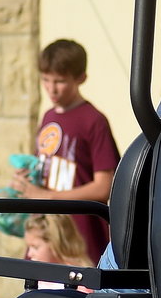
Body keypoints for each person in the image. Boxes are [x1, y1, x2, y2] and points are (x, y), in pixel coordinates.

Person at [11, 39, 121, 261]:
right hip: (46, 237)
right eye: (45, 80)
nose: (51, 89)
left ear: (80, 78)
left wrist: (48, 197)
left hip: (81, 240)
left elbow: (104, 187)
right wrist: (25, 181)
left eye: (60, 81)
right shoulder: (48, 116)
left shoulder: (94, 120)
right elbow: (43, 169)